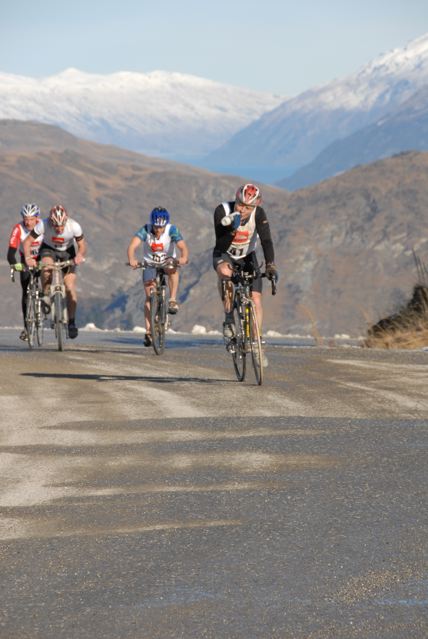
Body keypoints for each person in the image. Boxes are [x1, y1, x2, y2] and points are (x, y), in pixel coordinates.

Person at [212, 183, 278, 364]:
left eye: (248, 207)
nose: (242, 209)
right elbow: (221, 245)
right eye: (240, 204)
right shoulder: (222, 210)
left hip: (247, 255)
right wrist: (233, 228)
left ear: (255, 206)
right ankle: (228, 318)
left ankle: (256, 344)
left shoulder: (259, 214)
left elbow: (266, 241)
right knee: (225, 274)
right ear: (236, 199)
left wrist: (271, 265)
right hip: (225, 253)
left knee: (256, 299)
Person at [127, 206, 189, 346]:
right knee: (149, 297)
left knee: (173, 269)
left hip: (167, 262)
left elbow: (182, 247)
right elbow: (132, 246)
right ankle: (149, 332)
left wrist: (183, 257)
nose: (158, 230)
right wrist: (132, 258)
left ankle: (172, 299)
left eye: (161, 227)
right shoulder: (145, 229)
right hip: (150, 263)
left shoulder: (172, 230)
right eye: (156, 227)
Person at [23, 204, 86, 339]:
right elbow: (28, 241)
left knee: (70, 286)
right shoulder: (43, 225)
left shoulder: (74, 226)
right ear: (50, 222)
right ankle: (46, 294)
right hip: (48, 249)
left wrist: (79, 255)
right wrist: (28, 257)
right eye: (56, 226)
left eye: (61, 225)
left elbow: (82, 245)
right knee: (46, 267)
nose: (59, 229)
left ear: (66, 221)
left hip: (68, 252)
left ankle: (72, 322)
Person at [7, 203, 44, 341]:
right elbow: (11, 252)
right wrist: (14, 265)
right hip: (25, 260)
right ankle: (27, 329)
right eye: (25, 218)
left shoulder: (43, 227)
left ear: (37, 218)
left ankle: (45, 297)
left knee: (47, 277)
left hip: (41, 257)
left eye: (31, 219)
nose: (28, 222)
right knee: (26, 292)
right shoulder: (18, 228)